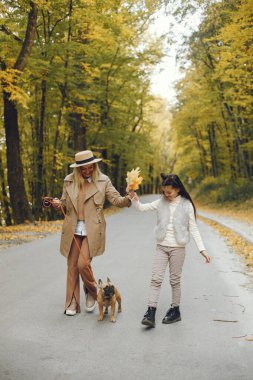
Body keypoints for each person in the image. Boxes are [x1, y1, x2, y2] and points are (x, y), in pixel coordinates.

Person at [52, 150, 131, 316]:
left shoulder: (103, 181)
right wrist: (58, 204)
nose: (87, 171)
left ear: (94, 166)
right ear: (77, 169)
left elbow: (117, 200)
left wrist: (129, 196)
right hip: (73, 228)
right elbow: (64, 205)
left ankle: (91, 292)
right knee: (72, 266)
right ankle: (72, 302)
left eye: (90, 167)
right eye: (83, 169)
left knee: (83, 264)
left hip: (93, 230)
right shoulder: (69, 181)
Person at [129, 173, 211, 327]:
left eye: (169, 192)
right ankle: (150, 311)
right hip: (161, 246)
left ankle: (175, 310)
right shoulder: (161, 201)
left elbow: (194, 229)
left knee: (174, 280)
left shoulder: (186, 205)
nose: (166, 195)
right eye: (164, 192)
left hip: (178, 249)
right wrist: (133, 195)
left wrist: (202, 250)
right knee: (156, 279)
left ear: (178, 189)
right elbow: (141, 208)